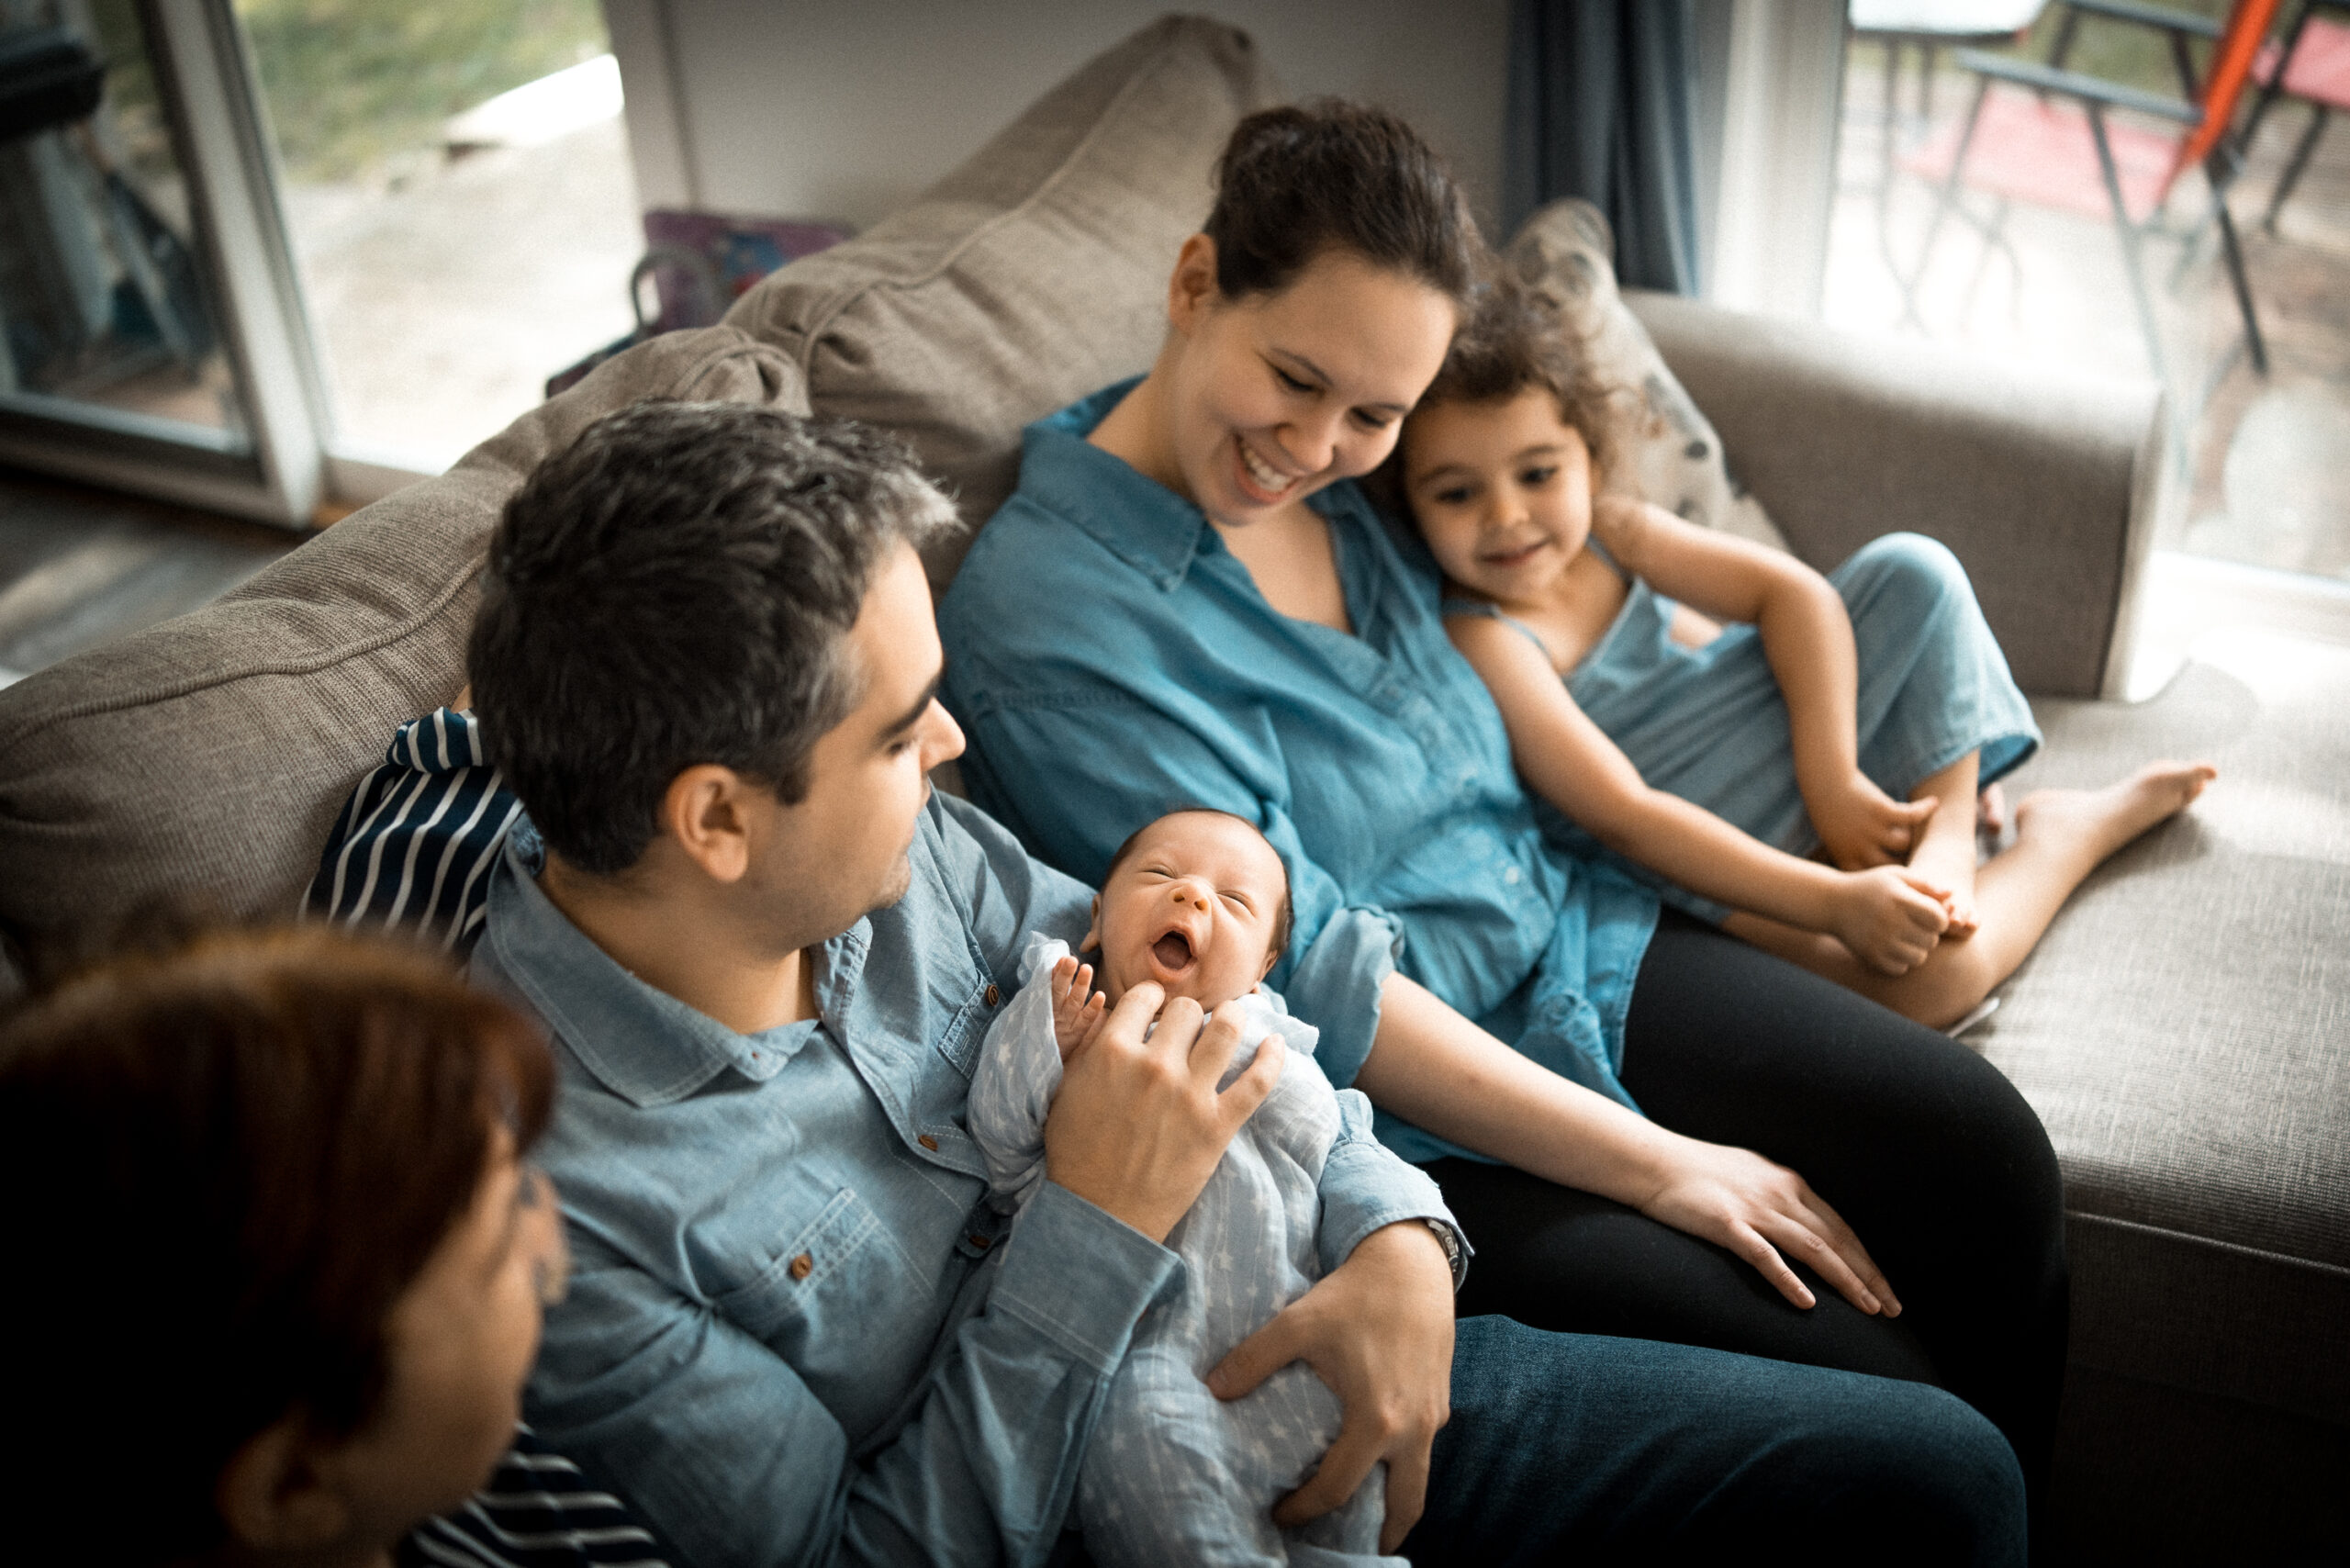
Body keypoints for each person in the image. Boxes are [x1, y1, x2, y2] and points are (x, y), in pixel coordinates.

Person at [451, 396, 2026, 1565]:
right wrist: (1090, 1223)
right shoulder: (566, 1217)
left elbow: (1238, 1004)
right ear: (715, 816)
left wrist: (1405, 1233)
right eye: (898, 727)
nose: (952, 748)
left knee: (1945, 1477)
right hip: (1124, 1517)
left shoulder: (912, 855)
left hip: (1325, 1333)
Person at [934, 97, 2071, 1506]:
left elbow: (1547, 618)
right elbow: (1309, 973)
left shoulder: (1357, 490)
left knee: (1989, 1163)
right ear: (1193, 285)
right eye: (1295, 380)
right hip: (1420, 1114)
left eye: (1376, 414)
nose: (1319, 444)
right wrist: (1663, 1166)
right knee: (1889, 1410)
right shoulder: (1050, 621)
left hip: (1581, 933)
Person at [1392, 274, 2217, 1027]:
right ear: (1410, 505)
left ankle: (1949, 830)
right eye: (1459, 493)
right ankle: (2063, 834)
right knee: (1931, 988)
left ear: (1589, 456)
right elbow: (1628, 816)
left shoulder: (1616, 530)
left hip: (1792, 774)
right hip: (1689, 848)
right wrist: (1832, 904)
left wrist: (1833, 780)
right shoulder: (1481, 635)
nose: (1507, 517)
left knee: (1912, 570)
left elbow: (1792, 597)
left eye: (1538, 473)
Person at [0, 924, 652, 1568]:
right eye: (504, 1240)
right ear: (292, 1487)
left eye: (520, 1189)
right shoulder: (451, 1454)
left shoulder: (452, 1462)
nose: (551, 1237)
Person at [970, 808, 1394, 1566]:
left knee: (1349, 1481)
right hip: (1142, 1342)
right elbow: (1001, 1152)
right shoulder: (1066, 1001)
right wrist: (1047, 1039)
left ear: (1263, 968)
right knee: (1150, 1452)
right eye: (1161, 875)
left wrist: (1399, 1239)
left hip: (1291, 1326)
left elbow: (1334, 1139)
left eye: (1234, 903)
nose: (1193, 897)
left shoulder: (1275, 1038)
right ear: (1098, 917)